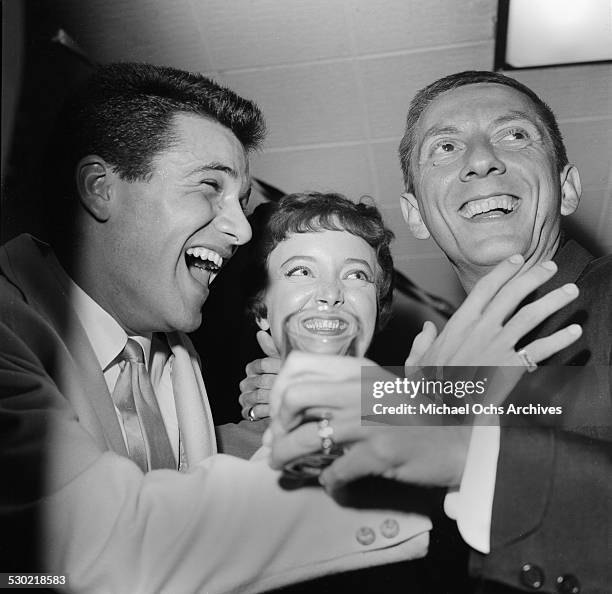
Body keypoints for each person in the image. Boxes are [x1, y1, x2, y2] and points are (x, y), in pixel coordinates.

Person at [0, 62, 433, 593]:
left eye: (358, 275)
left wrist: (399, 405)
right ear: (260, 311)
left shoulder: (180, 366)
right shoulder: (13, 330)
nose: (239, 227)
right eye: (210, 186)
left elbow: (534, 414)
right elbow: (58, 565)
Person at [262, 71, 612, 593]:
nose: (479, 159)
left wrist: (459, 448)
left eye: (515, 135)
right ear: (416, 215)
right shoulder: (432, 378)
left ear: (566, 189)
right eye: (445, 147)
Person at [216, 190, 394, 458]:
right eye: (301, 271)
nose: (331, 293)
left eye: (356, 274)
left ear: (377, 307)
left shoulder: (427, 420)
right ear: (262, 311)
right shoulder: (210, 448)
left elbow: (478, 406)